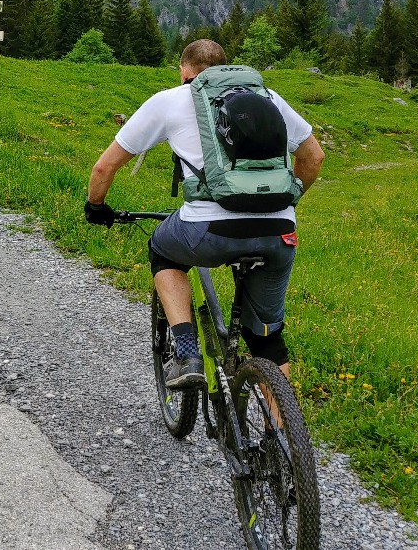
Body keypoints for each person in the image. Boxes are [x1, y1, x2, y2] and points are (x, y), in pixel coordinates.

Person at [85, 39, 324, 388]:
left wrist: (95, 207)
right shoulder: (268, 97)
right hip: (280, 232)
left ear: (184, 71)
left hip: (207, 231)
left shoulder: (170, 100)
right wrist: (287, 201)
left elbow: (104, 169)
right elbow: (314, 158)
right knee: (268, 341)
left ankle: (186, 353)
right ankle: (284, 438)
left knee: (163, 251)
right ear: (226, 67)